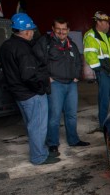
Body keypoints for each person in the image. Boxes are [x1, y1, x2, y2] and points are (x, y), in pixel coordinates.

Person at [0, 13, 57, 165]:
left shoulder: (6, 46)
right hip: (31, 94)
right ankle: (39, 157)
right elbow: (28, 75)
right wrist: (40, 88)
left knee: (32, 126)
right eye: (31, 30)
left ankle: (41, 152)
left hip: (19, 93)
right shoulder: (24, 49)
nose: (32, 33)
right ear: (26, 31)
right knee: (38, 127)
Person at [33, 17, 88, 156]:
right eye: (59, 29)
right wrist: (47, 77)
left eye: (64, 29)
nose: (62, 32)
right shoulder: (45, 42)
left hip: (71, 84)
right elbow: (37, 61)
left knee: (71, 115)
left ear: (68, 30)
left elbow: (78, 62)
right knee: (54, 116)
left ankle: (73, 140)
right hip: (55, 83)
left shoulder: (71, 44)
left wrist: (77, 75)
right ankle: (52, 143)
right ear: (53, 28)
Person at [83, 11, 110, 129]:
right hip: (103, 71)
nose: (108, 25)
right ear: (98, 22)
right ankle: (104, 124)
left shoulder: (108, 35)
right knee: (104, 98)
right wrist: (99, 69)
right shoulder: (90, 36)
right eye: (105, 23)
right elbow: (90, 54)